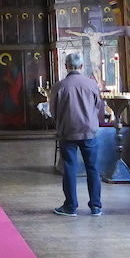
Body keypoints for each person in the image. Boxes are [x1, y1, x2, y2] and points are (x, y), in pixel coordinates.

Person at [50, 52, 105, 217]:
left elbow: (53, 111)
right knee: (93, 168)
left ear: (66, 66)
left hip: (68, 131)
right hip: (89, 131)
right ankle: (96, 206)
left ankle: (70, 206)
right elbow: (98, 106)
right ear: (81, 66)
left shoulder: (59, 86)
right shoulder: (91, 84)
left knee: (69, 168)